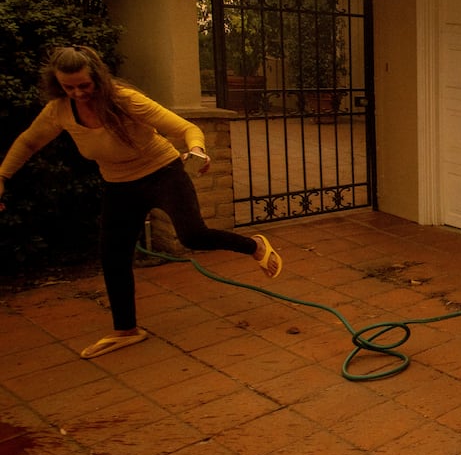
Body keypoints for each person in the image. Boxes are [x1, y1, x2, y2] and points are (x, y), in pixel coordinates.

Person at [0, 46, 283, 358]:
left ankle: (253, 245)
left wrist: (197, 148)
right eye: (69, 87)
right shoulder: (59, 110)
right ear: (58, 84)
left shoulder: (124, 99)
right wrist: (2, 176)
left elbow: (185, 127)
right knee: (113, 255)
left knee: (192, 235)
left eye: (84, 85)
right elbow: (29, 141)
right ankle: (126, 330)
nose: (78, 93)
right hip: (118, 185)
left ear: (98, 78)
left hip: (162, 172)